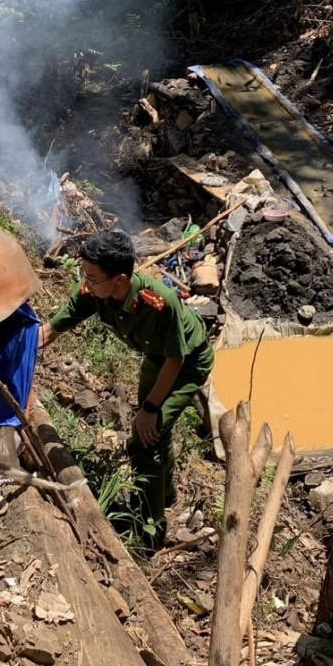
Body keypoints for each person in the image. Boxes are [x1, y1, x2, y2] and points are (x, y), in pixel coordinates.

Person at [38, 230, 213, 551]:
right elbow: (67, 315)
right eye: (85, 275)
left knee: (144, 439)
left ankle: (152, 528)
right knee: (157, 431)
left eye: (92, 277)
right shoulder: (98, 290)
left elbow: (176, 359)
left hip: (187, 362)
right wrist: (41, 337)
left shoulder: (161, 303)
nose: (86, 283)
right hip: (157, 356)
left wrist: (149, 410)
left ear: (119, 279)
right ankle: (166, 493)